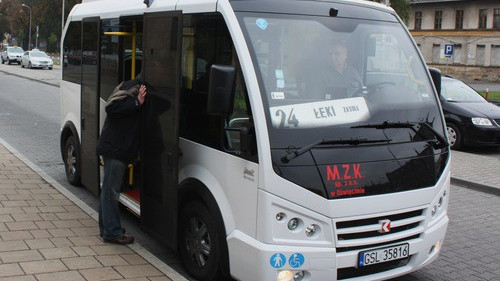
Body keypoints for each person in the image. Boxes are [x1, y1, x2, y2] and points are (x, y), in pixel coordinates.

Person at [96, 73, 147, 245]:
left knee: (107, 190)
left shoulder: (131, 85)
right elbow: (111, 108)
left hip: (113, 147)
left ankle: (107, 228)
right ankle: (112, 232)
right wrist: (136, 103)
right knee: (111, 191)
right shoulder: (133, 89)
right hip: (116, 149)